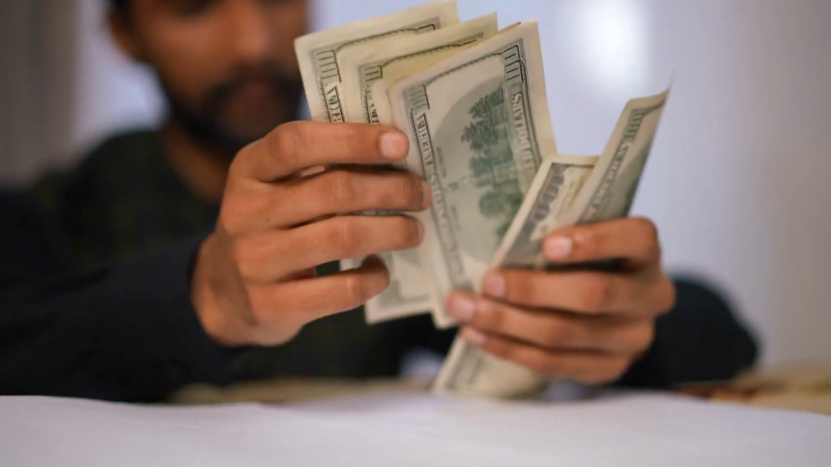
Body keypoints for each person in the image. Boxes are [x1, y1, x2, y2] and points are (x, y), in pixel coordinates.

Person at [0, 0, 758, 402]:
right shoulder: (48, 215)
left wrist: (629, 324)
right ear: (123, 34)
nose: (255, 43)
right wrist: (200, 296)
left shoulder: (387, 193)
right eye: (195, 5)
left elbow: (723, 336)